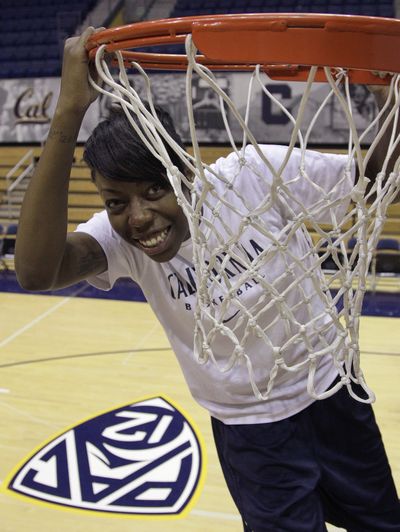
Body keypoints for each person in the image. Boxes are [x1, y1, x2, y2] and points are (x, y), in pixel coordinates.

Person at [15, 27, 400, 532]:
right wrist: (68, 112)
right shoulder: (121, 244)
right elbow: (36, 273)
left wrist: (390, 99)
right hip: (251, 431)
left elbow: (370, 184)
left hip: (331, 391)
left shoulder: (250, 177)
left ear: (186, 171)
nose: (138, 217)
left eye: (155, 189)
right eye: (116, 202)